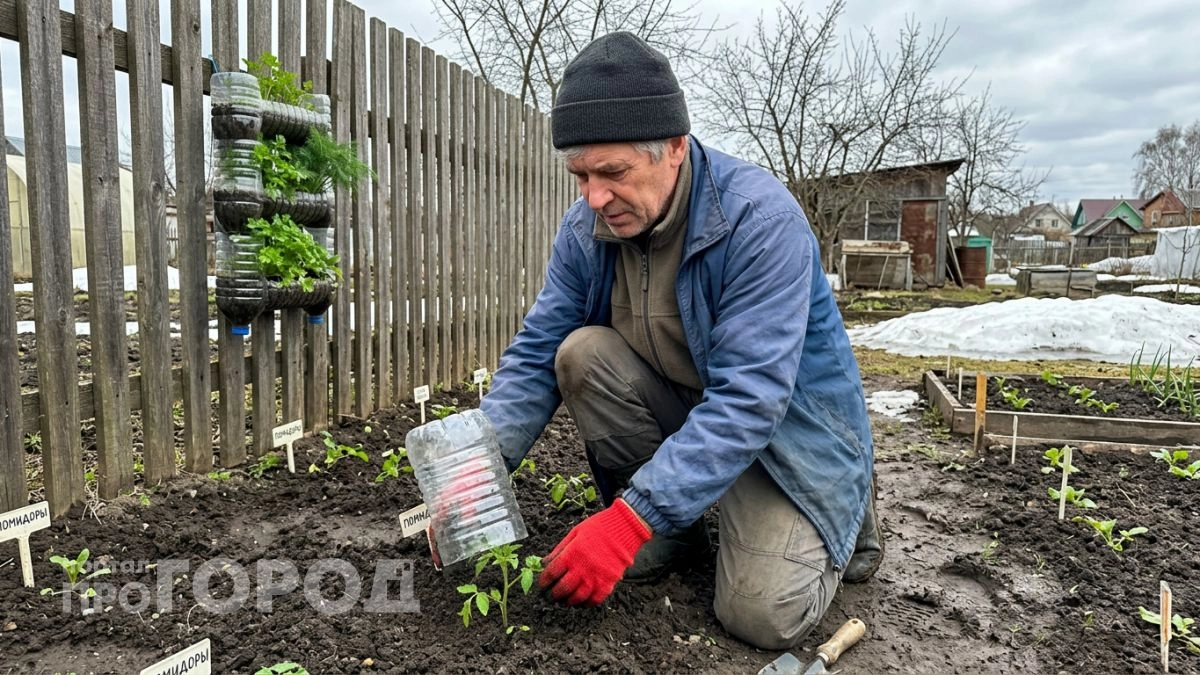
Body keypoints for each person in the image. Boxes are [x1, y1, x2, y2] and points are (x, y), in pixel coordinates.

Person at [478, 31, 881, 650]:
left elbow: (750, 399)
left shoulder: (758, 221)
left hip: (784, 437)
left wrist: (625, 521)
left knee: (762, 616)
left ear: (674, 147)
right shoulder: (587, 228)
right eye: (580, 175)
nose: (594, 197)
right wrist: (478, 472)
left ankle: (845, 506)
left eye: (612, 173)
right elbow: (538, 349)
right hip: (691, 413)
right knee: (580, 353)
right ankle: (673, 527)